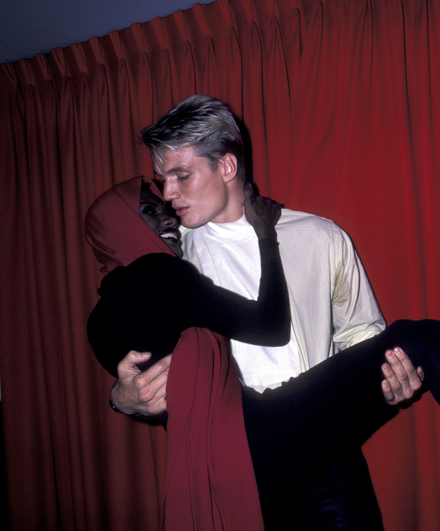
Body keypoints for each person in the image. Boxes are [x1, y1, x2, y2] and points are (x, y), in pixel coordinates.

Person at [85, 176, 440, 530]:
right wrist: (267, 233)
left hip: (283, 455)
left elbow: (363, 341)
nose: (165, 207)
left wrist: (117, 398)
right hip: (257, 448)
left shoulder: (102, 323)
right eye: (150, 205)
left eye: (166, 194)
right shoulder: (165, 271)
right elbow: (256, 329)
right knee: (417, 337)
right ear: (122, 226)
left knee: (417, 340)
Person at [109, 96, 421, 529]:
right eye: (163, 179)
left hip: (329, 460)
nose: (167, 193)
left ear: (227, 167)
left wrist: (390, 379)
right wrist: (121, 397)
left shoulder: (320, 236)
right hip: (232, 469)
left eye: (181, 175)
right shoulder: (164, 261)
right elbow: (131, 350)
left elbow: (363, 335)